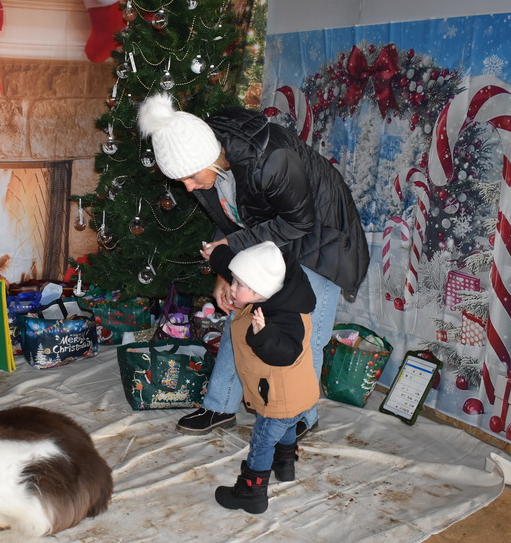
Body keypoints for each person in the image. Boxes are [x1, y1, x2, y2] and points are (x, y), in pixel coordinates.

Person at [137, 93, 369, 437]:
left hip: (320, 236)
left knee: (306, 331)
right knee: (240, 314)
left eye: (189, 177)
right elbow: (229, 217)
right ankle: (220, 404)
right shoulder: (202, 166)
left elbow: (298, 223)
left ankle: (301, 414)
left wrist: (230, 247)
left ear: (210, 156)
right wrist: (225, 274)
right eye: (180, 180)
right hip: (269, 234)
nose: (187, 188)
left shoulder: (272, 159)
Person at [207, 240, 318, 513]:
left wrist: (264, 335)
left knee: (262, 440)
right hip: (296, 395)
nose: (231, 288)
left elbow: (286, 353)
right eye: (233, 281)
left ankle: (252, 493)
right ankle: (285, 464)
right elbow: (239, 269)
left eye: (237, 285)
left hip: (279, 397)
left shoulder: (283, 318)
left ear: (259, 291)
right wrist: (216, 254)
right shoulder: (274, 289)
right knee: (288, 425)